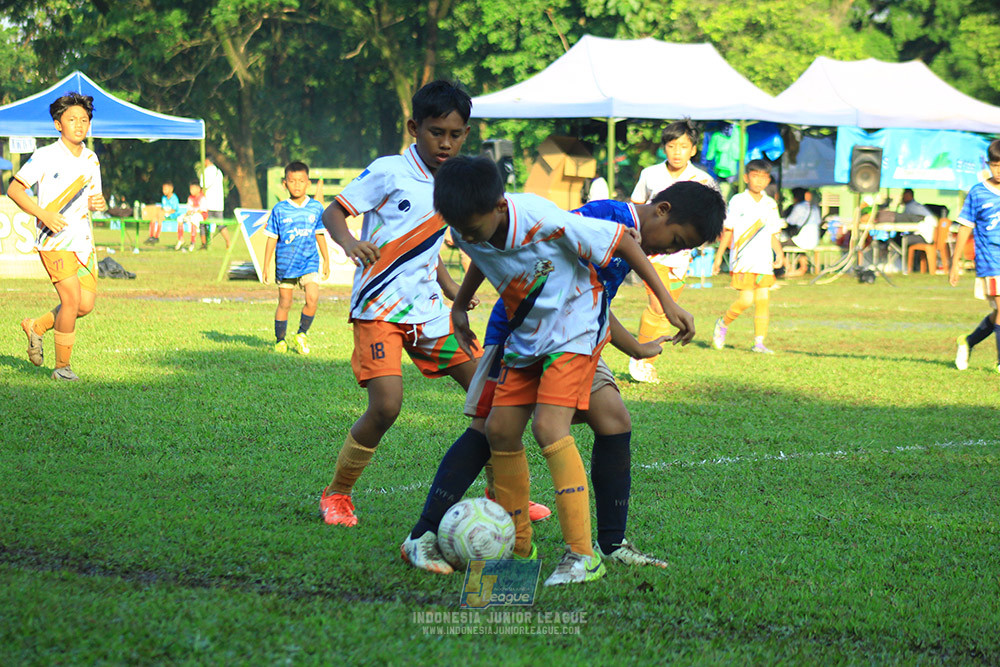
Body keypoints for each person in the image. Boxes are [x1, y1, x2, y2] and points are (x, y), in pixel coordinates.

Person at [400, 179, 725, 577]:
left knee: (613, 420)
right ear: (662, 210)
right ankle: (426, 533)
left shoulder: (622, 238)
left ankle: (608, 545)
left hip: (574, 332)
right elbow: (534, 260)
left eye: (679, 248)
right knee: (493, 430)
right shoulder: (605, 218)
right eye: (675, 239)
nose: (669, 250)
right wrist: (461, 303)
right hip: (520, 332)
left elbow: (589, 294)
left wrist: (636, 350)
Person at [316, 80, 483, 528]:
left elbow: (430, 244)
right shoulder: (390, 171)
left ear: (466, 133)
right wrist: (350, 242)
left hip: (430, 312)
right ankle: (337, 493)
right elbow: (332, 213)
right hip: (379, 310)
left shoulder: (456, 179)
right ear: (414, 127)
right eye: (435, 132)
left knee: (492, 395)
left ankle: (503, 494)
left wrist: (451, 290)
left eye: (455, 134)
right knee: (387, 406)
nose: (445, 143)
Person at [11, 92, 106, 381]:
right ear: (57, 125)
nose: (79, 124)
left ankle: (36, 326)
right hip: (54, 241)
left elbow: (92, 197)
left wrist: (96, 203)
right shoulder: (45, 156)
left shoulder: (91, 158)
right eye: (72, 119)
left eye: (85, 119)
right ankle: (62, 369)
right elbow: (15, 190)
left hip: (83, 242)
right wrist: (43, 214)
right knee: (71, 299)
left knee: (84, 306)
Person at [628, 119, 716, 383]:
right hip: (652, 251)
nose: (677, 151)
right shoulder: (650, 174)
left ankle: (645, 357)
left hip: (681, 256)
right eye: (671, 145)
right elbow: (636, 206)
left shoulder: (703, 179)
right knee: (658, 305)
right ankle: (642, 360)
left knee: (667, 311)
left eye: (683, 146)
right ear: (664, 147)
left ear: (693, 149)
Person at [710, 159, 785, 354]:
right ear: (746, 178)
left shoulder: (770, 204)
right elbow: (728, 230)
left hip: (764, 260)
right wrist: (719, 257)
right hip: (743, 259)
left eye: (763, 177)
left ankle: (759, 343)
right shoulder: (738, 201)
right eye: (755, 176)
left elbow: (772, 232)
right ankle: (722, 323)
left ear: (768, 180)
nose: (759, 181)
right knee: (745, 300)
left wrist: (779, 253)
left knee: (763, 300)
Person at [261, 161, 330, 355]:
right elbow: (272, 238)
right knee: (285, 303)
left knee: (313, 298)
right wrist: (265, 265)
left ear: (308, 182)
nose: (297, 185)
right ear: (285, 184)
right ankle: (280, 341)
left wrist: (326, 259)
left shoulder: (316, 208)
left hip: (309, 262)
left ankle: (301, 334)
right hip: (285, 265)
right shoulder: (279, 209)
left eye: (301, 181)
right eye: (292, 181)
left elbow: (320, 234)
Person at [950, 139, 1000, 375]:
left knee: (998, 312)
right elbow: (965, 227)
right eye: (995, 165)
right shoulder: (978, 192)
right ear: (988, 165)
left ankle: (968, 342)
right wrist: (955, 263)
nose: (998, 170)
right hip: (991, 259)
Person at [782, 187, 821, 277]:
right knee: (799, 247)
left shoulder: (799, 207)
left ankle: (788, 268)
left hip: (802, 239)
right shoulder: (814, 208)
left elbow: (790, 221)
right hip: (814, 240)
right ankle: (803, 268)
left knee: (778, 245)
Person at [201, 157, 232, 248]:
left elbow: (203, 186)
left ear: (207, 161)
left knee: (203, 223)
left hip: (208, 203)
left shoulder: (206, 172)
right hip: (218, 203)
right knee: (220, 224)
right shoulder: (219, 172)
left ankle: (204, 244)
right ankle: (228, 241)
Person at [175, 180, 207, 251]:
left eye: (193, 189)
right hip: (192, 214)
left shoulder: (202, 197)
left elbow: (202, 210)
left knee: (193, 220)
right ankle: (180, 239)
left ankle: (192, 242)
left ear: (198, 189)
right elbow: (189, 209)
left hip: (200, 215)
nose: (191, 191)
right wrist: (189, 212)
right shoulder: (190, 198)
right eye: (190, 189)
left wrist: (194, 212)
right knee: (180, 218)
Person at [144, 181, 179, 245]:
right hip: (164, 214)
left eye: (165, 189)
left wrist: (165, 212)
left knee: (160, 217)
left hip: (172, 214)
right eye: (163, 189)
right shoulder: (164, 198)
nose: (164, 191)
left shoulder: (174, 198)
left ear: (171, 189)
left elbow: (174, 210)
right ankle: (151, 236)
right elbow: (162, 208)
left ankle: (157, 236)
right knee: (153, 218)